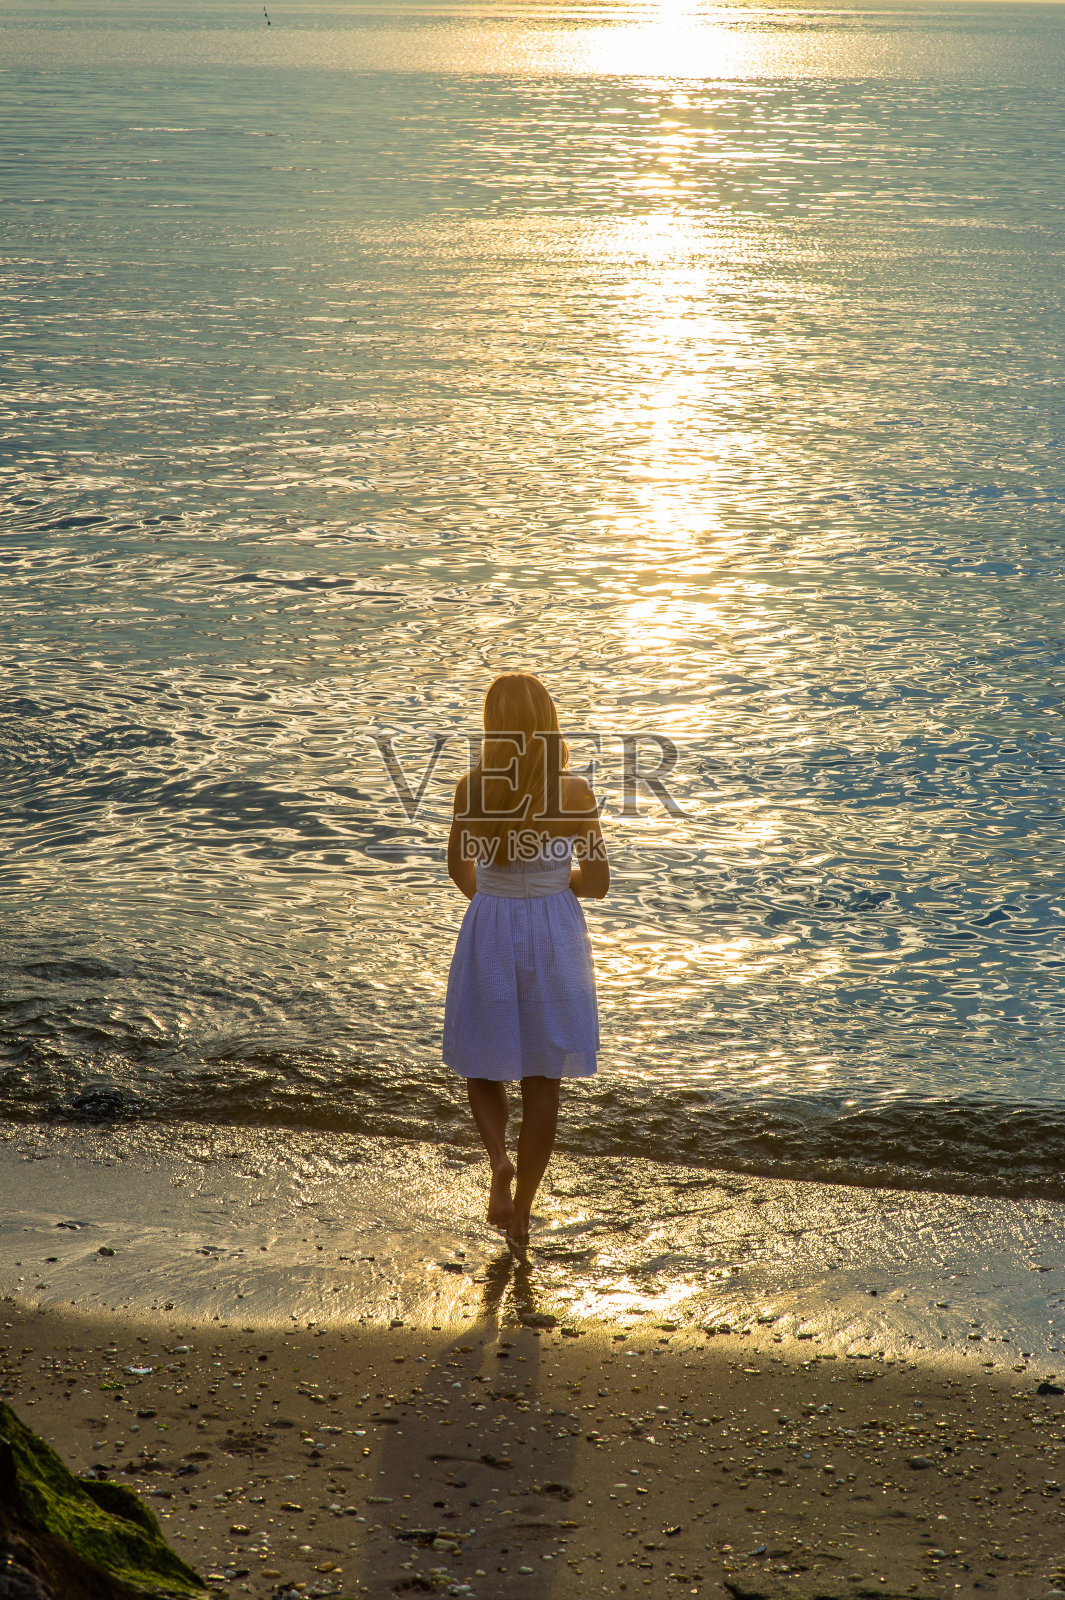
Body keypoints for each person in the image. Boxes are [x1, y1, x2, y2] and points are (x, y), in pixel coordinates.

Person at [443, 672, 609, 1254]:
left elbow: (458, 869)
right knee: (544, 1082)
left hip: (491, 924)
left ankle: (498, 1161)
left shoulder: (472, 788)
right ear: (549, 723)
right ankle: (524, 1214)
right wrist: (551, 881)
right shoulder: (577, 793)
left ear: (493, 726)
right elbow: (600, 884)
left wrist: (493, 900)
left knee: (481, 1062)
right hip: (554, 932)